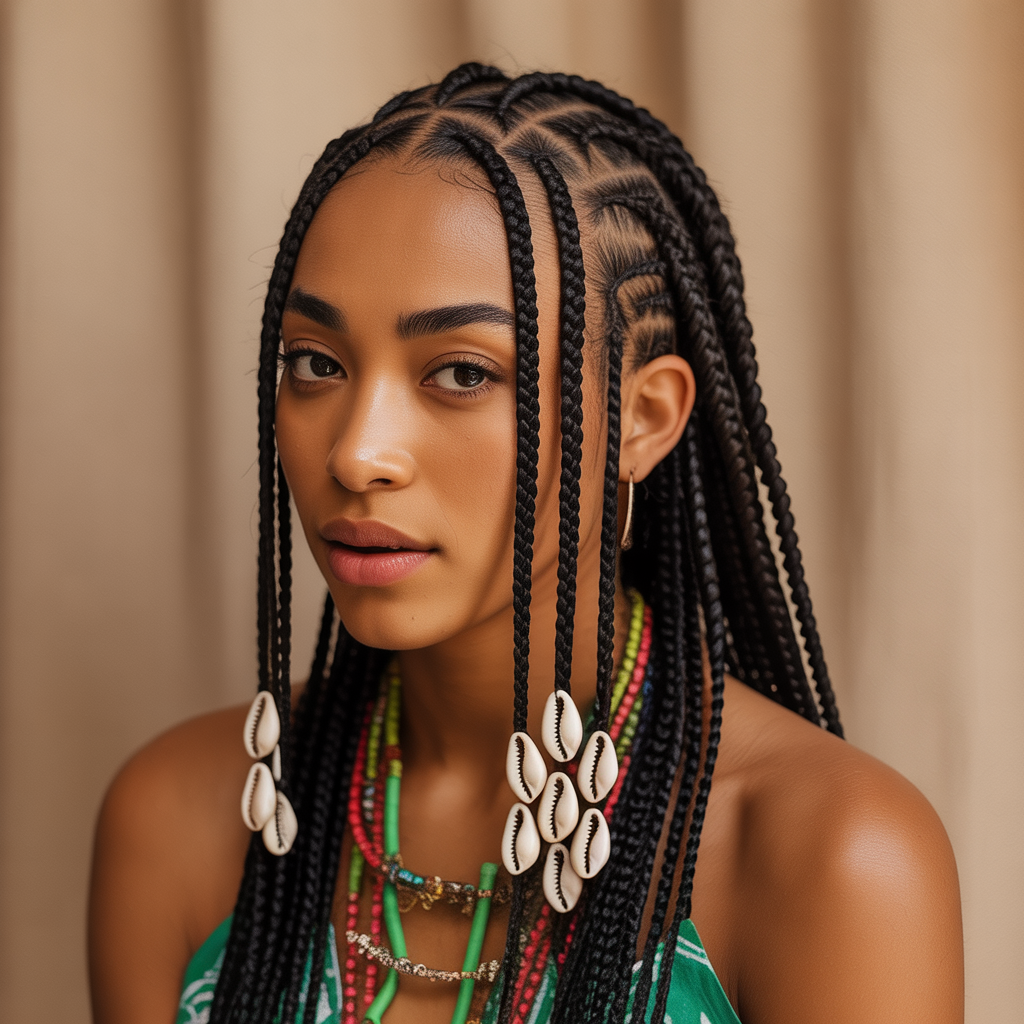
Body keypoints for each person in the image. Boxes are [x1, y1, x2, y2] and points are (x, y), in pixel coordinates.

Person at [87, 64, 963, 1024]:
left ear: (642, 417)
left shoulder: (834, 857)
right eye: (316, 362)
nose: (357, 453)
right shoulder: (177, 818)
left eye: (462, 373)